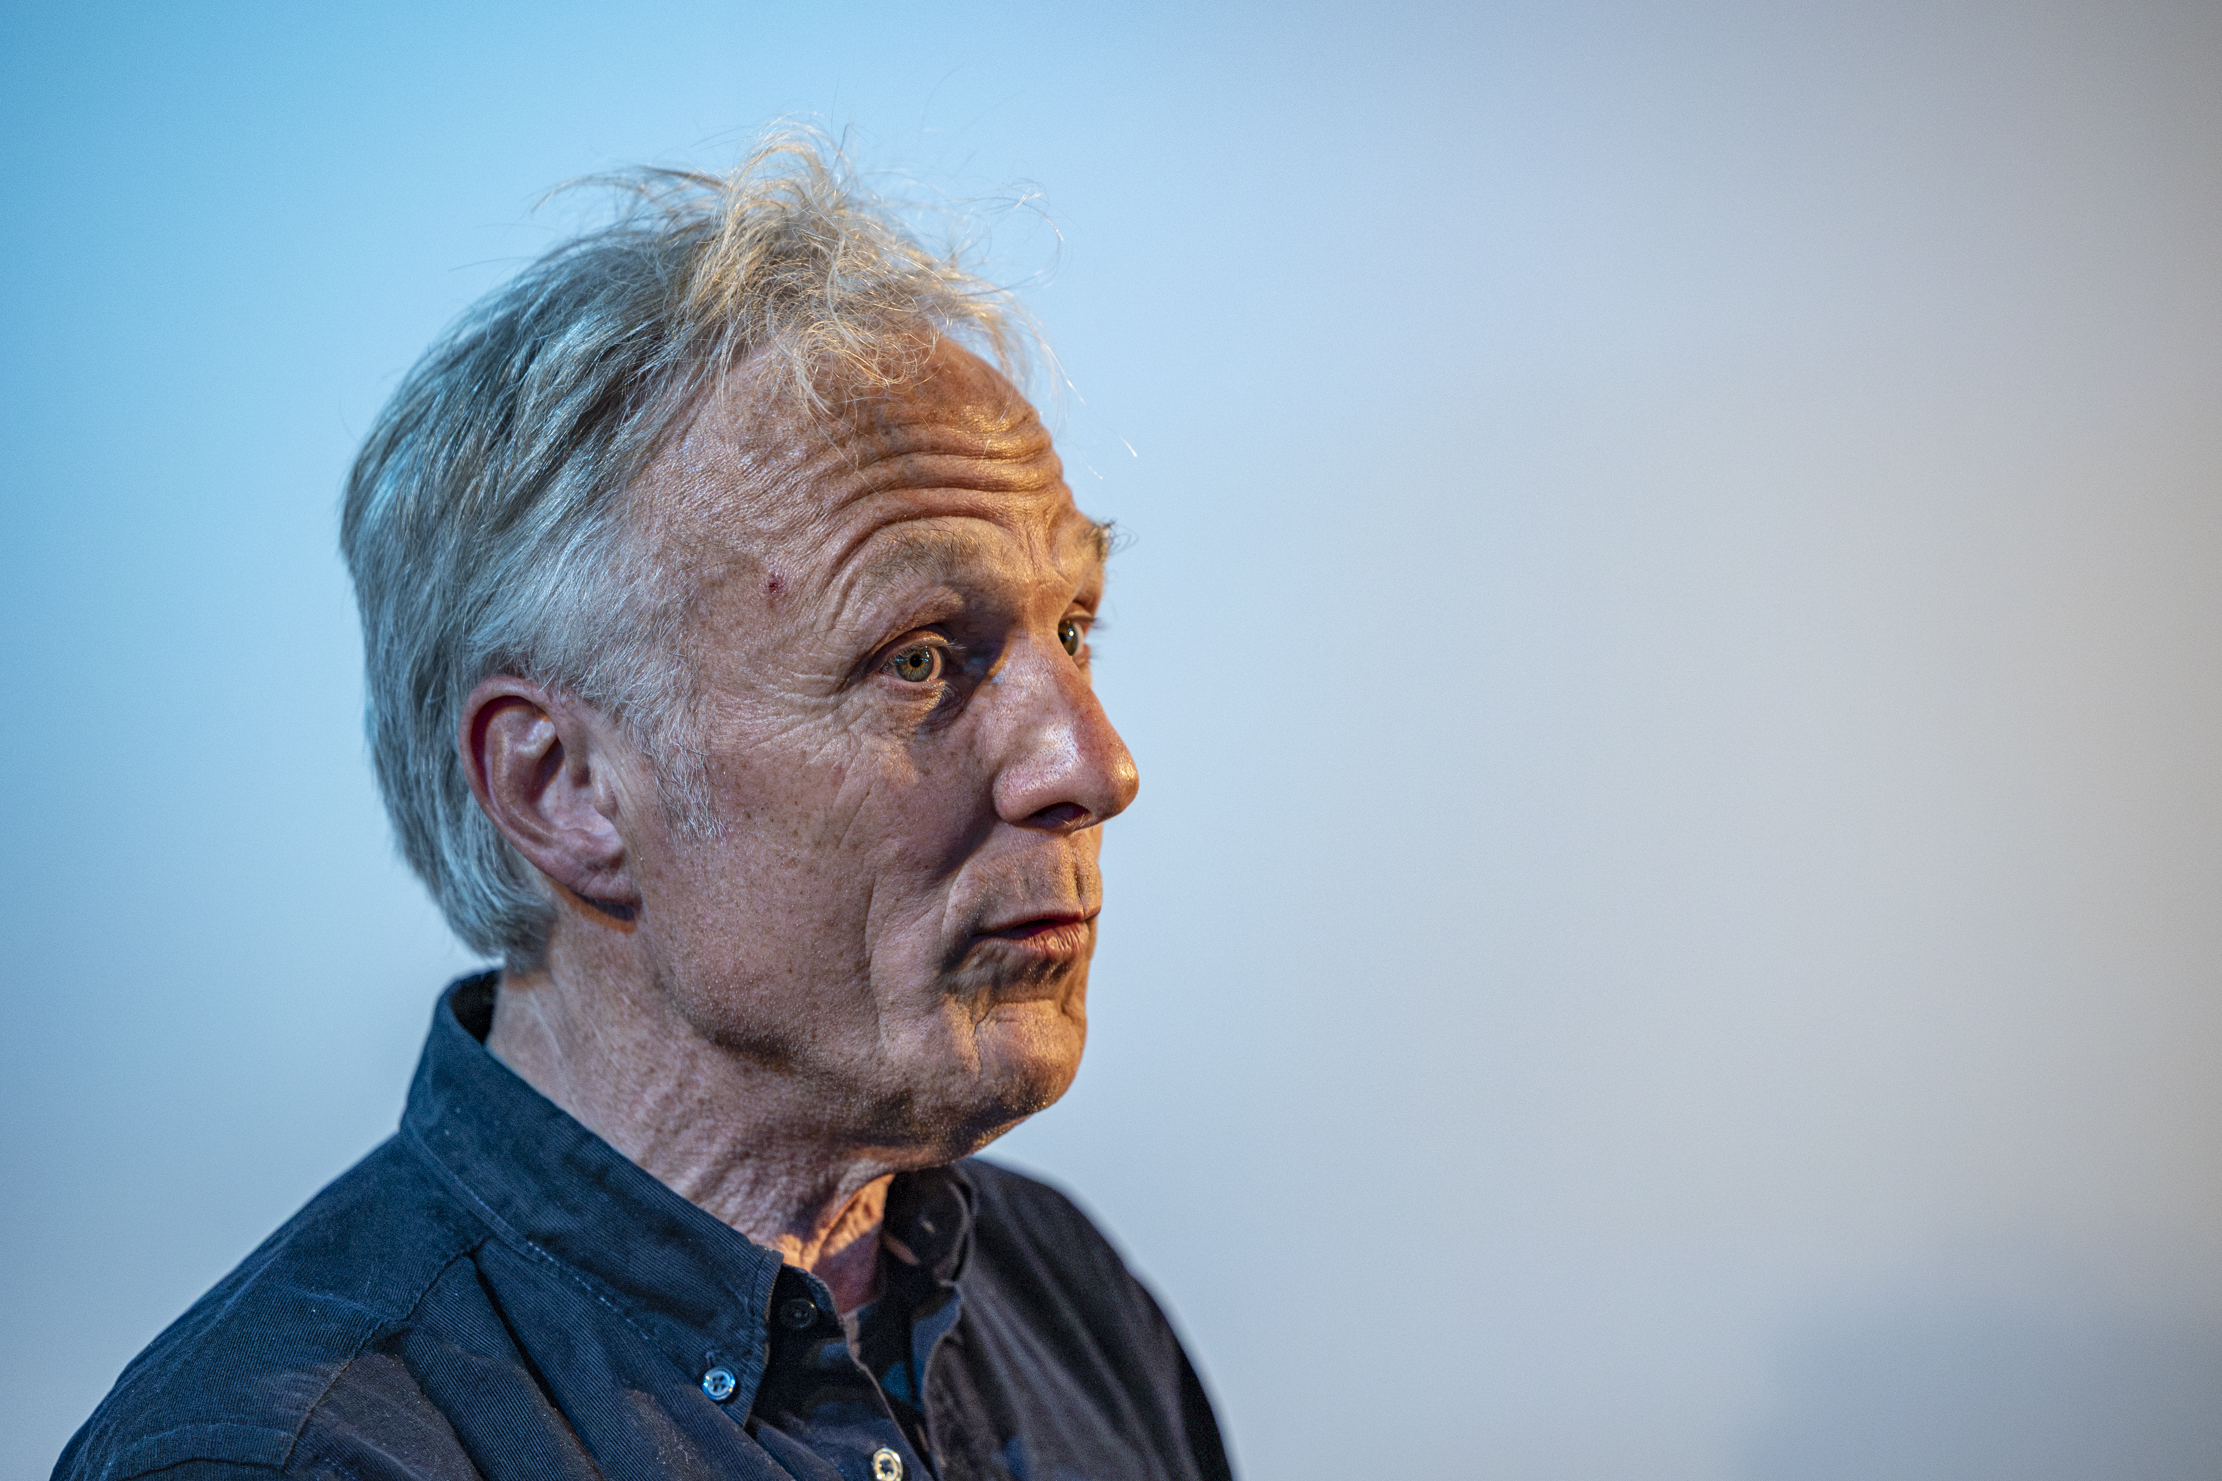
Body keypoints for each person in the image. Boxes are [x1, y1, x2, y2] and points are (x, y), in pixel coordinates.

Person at [55, 135, 1231, 1481]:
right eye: (917, 658)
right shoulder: (289, 1455)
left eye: (1073, 629)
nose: (1091, 764)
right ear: (562, 789)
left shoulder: (1059, 1289)